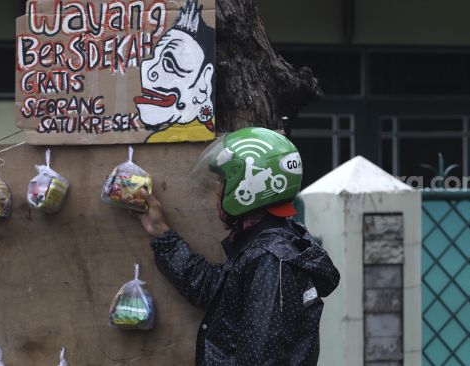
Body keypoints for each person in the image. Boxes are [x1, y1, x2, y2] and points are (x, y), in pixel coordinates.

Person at [134, 127, 340, 365]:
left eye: (223, 181)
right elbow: (216, 290)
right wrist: (163, 235)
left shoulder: (270, 260)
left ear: (248, 188)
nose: (217, 191)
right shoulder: (271, 244)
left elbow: (261, 358)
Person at [134, 0, 215, 143]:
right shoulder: (157, 138)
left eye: (170, 64)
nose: (148, 71)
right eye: (154, 58)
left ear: (203, 82)